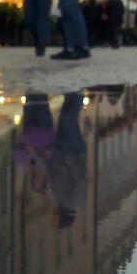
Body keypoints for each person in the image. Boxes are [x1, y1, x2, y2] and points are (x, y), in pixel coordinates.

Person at [48, 91, 87, 228]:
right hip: (72, 151)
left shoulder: (61, 200)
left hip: (61, 151)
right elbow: (79, 178)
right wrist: (69, 158)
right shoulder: (74, 201)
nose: (52, 216)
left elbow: (52, 174)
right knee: (67, 118)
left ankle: (72, 92)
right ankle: (78, 93)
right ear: (61, 218)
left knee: (65, 116)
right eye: (54, 219)